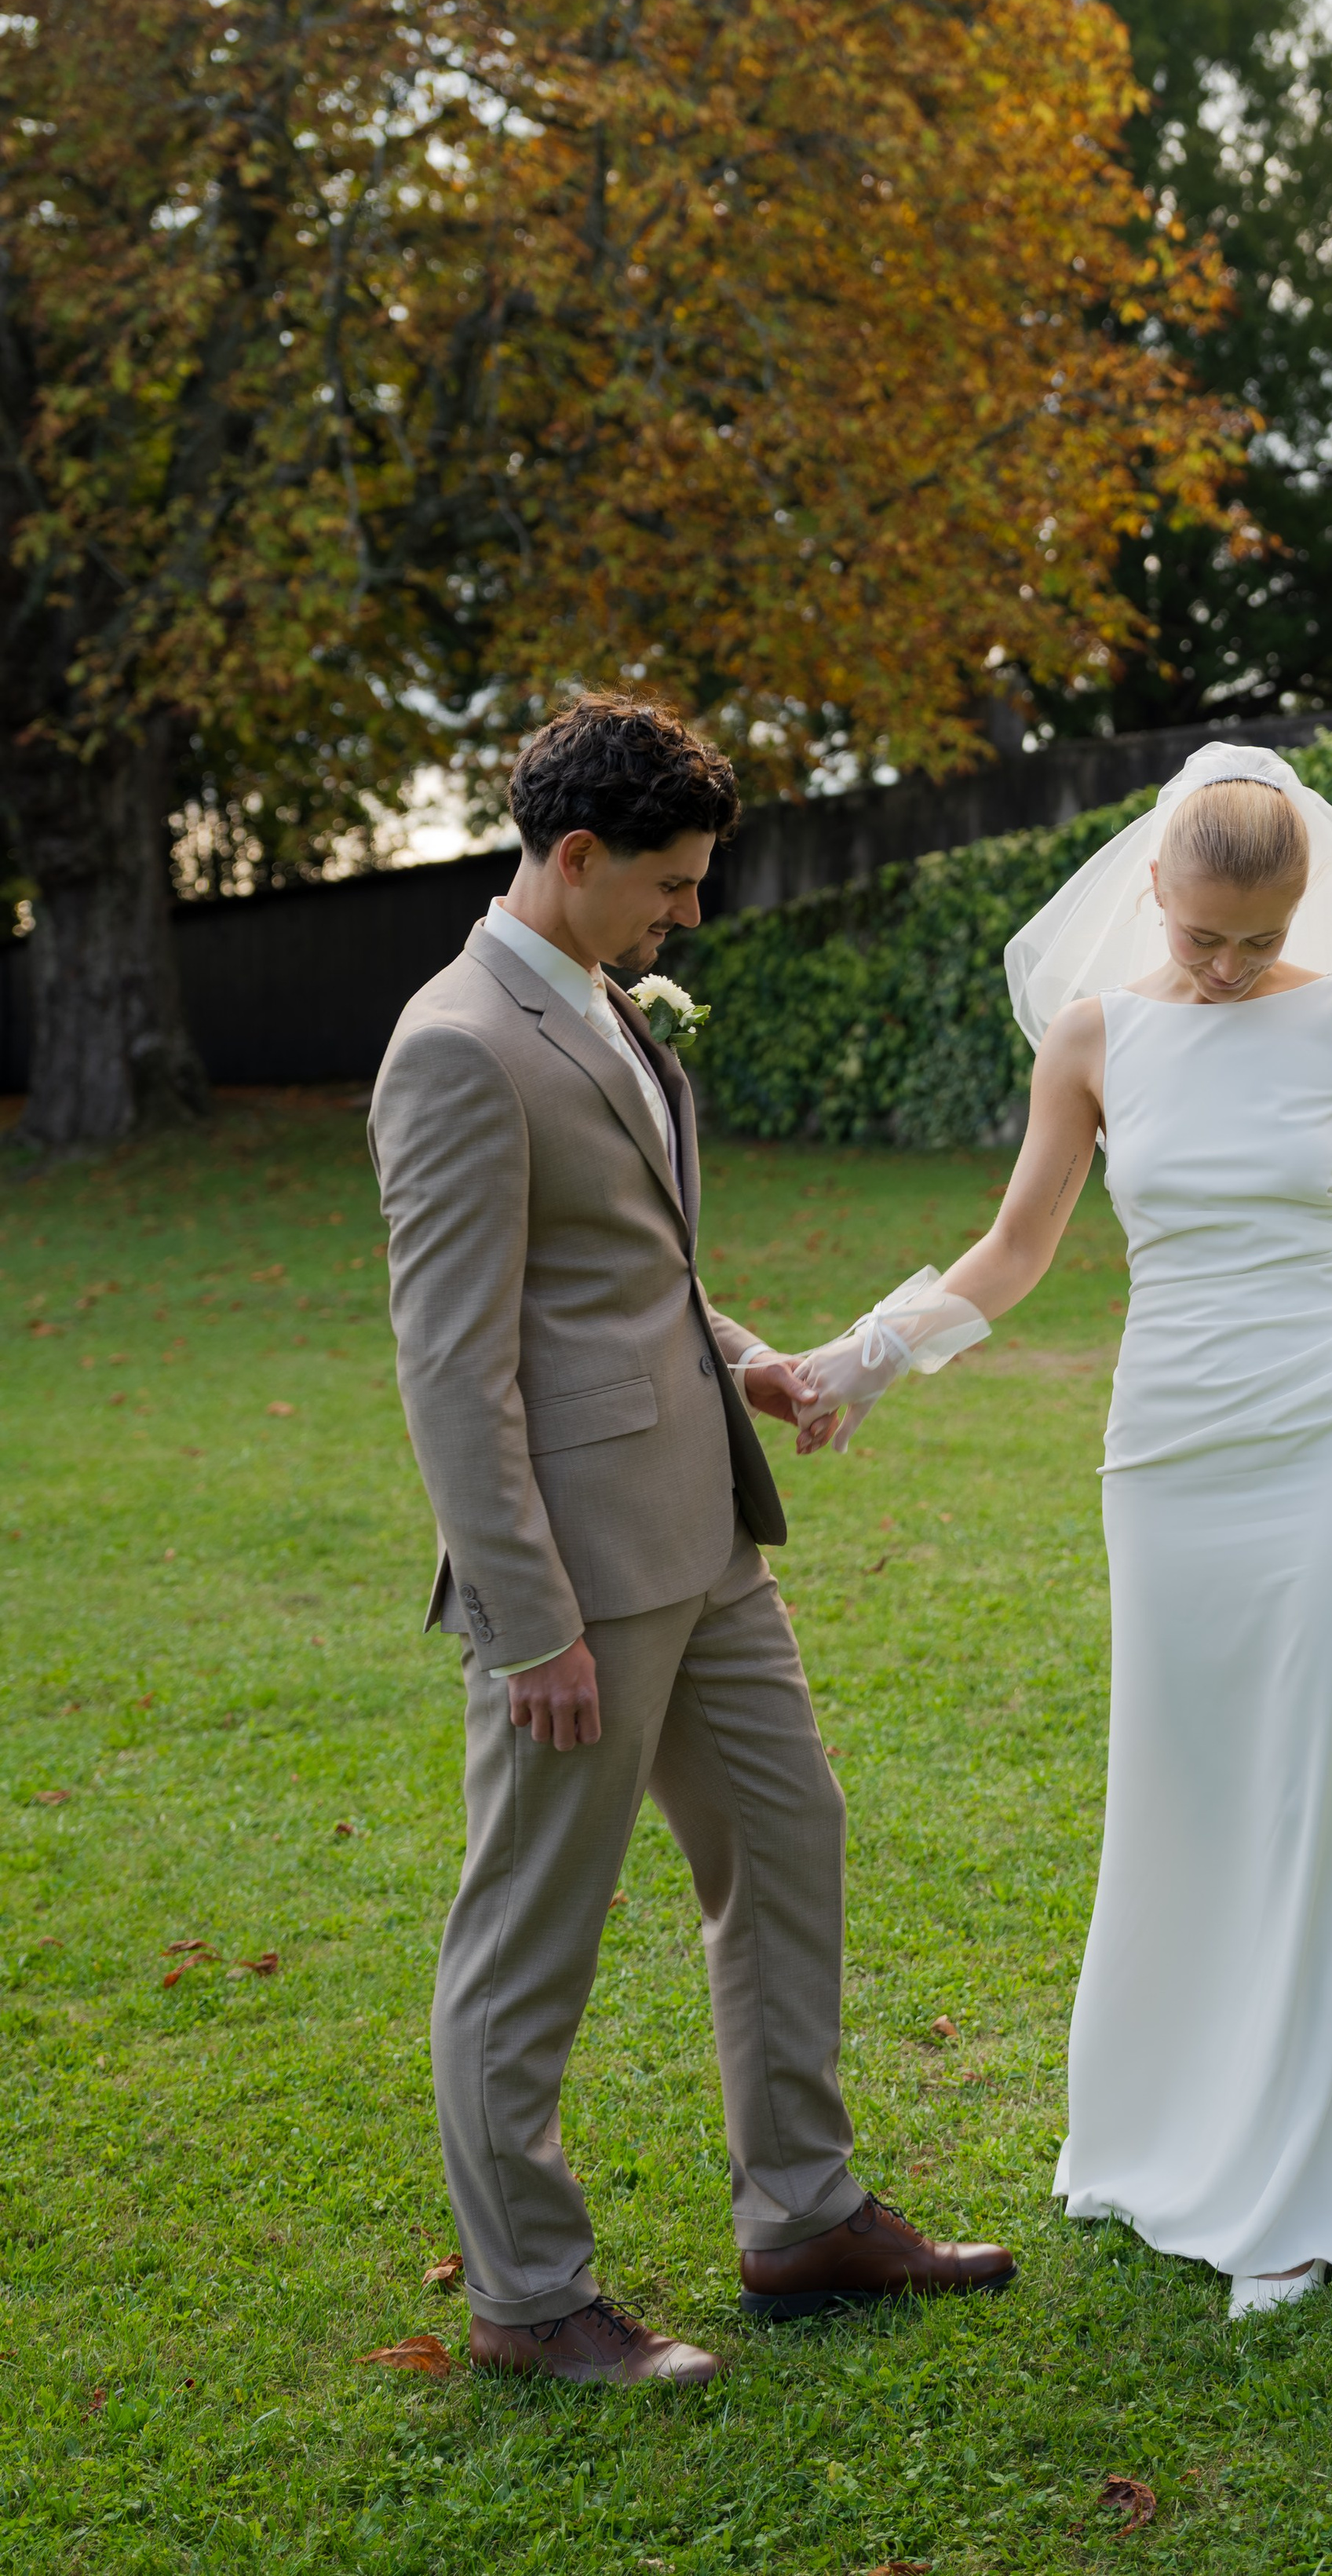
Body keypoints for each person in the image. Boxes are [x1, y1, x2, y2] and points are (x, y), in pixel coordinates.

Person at [370, 696, 1013, 2388]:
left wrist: (748, 1360)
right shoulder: (456, 1044)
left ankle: (800, 2212)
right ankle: (526, 2295)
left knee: (792, 1837)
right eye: (669, 883)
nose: (690, 916)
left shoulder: (596, 995)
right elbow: (454, 1365)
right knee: (529, 1934)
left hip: (707, 1536)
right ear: (571, 861)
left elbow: (625, 1267)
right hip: (575, 1579)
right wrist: (530, 1624)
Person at [799, 743, 1332, 2319]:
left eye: (1256, 938)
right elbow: (1018, 1244)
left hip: (1322, 1448)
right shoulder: (1093, 1039)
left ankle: (1306, 2179)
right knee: (1185, 1781)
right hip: (1167, 1457)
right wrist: (869, 1357)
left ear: (1300, 910)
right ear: (1154, 890)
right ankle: (1171, 2122)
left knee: (1318, 1789)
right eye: (1200, 936)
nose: (1227, 970)